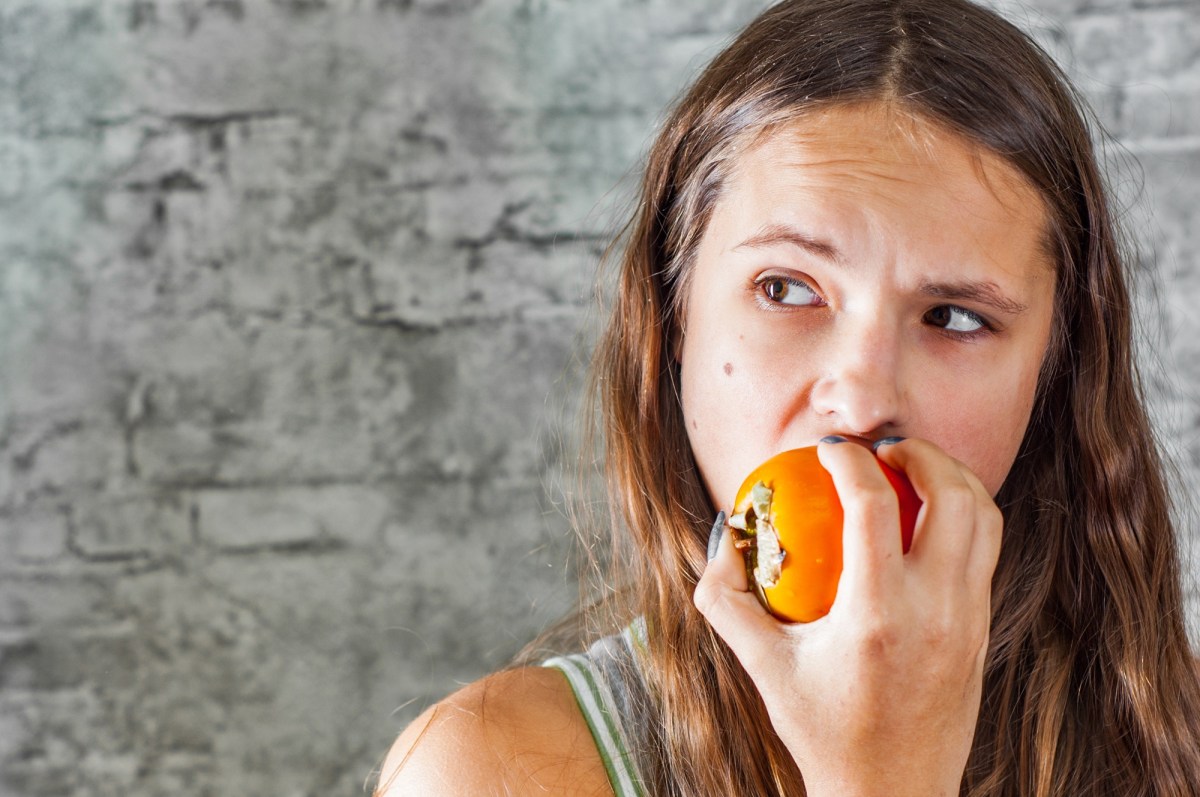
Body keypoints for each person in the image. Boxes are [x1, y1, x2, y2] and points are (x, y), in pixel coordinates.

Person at [375, 0, 1200, 793]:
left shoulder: (1177, 742)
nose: (860, 400)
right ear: (674, 321)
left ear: (1052, 376)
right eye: (787, 289)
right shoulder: (491, 771)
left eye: (954, 316)